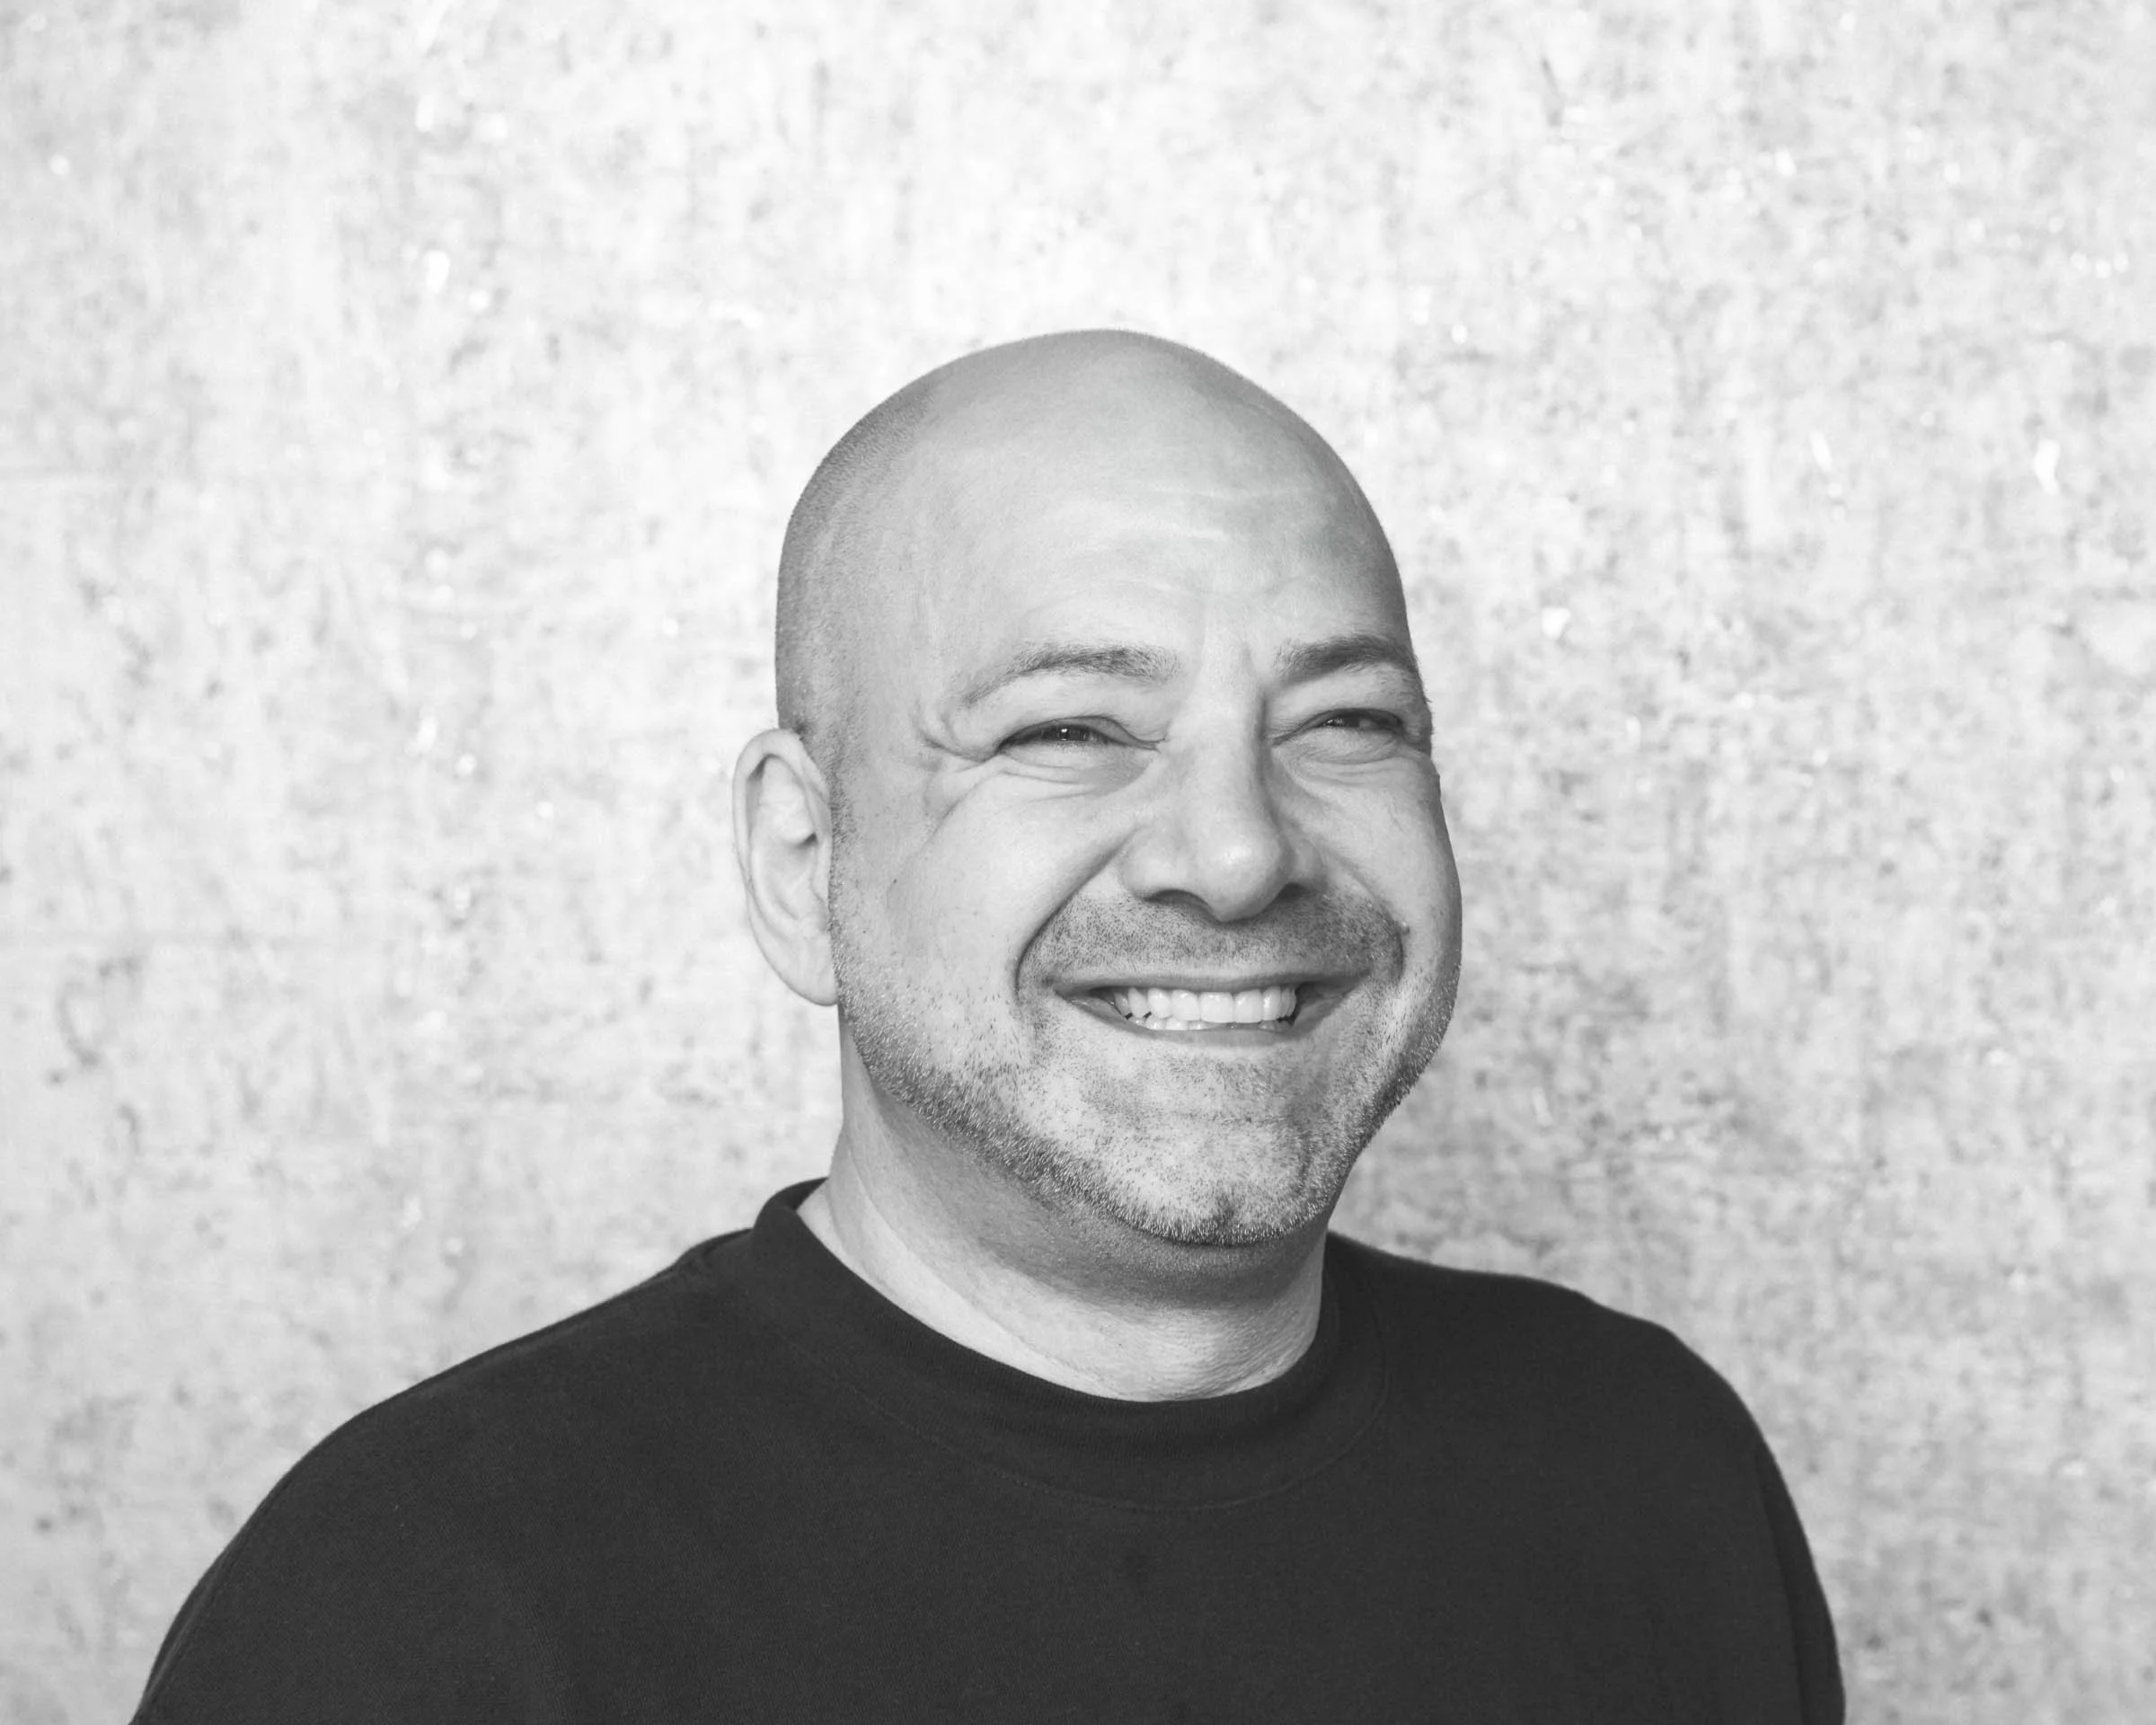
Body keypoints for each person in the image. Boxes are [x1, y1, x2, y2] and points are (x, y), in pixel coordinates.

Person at [133, 332, 1842, 1722]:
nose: (1238, 853)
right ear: (806, 864)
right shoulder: (418, 1612)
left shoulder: (1650, 1465)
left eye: (1345, 720)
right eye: (1072, 729)